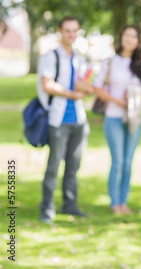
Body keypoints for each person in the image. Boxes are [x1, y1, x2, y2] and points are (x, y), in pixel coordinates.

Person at [37, 16, 94, 224]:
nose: (71, 34)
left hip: (79, 119)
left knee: (73, 167)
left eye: (75, 31)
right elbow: (48, 85)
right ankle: (47, 208)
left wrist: (85, 88)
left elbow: (84, 86)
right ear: (60, 31)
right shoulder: (50, 57)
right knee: (53, 167)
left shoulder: (79, 57)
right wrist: (72, 94)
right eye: (68, 30)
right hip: (58, 119)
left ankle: (69, 204)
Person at [93, 25, 141, 214]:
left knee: (128, 161)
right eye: (127, 35)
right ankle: (114, 203)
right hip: (113, 116)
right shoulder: (111, 61)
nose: (130, 39)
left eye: (134, 36)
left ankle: (124, 201)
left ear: (138, 41)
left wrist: (133, 97)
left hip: (134, 118)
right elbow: (98, 88)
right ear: (121, 38)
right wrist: (117, 100)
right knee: (117, 161)